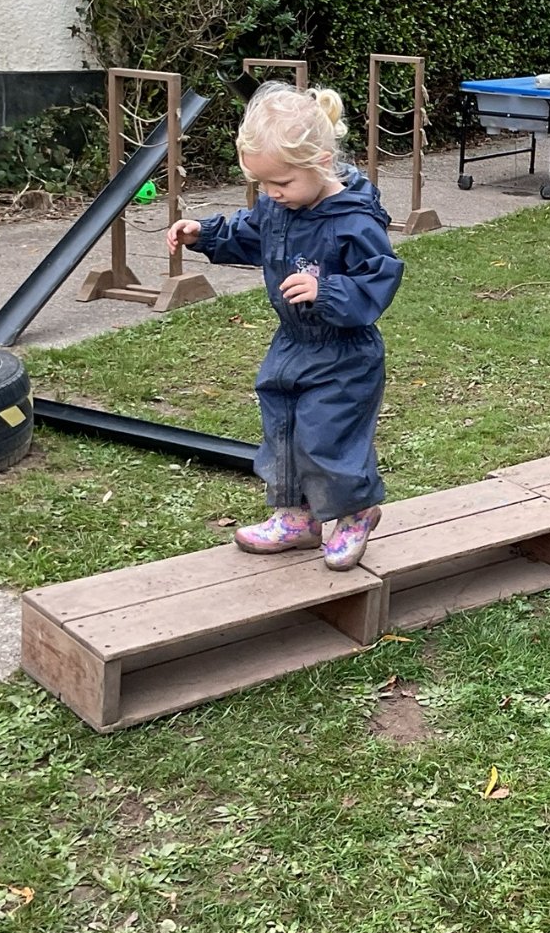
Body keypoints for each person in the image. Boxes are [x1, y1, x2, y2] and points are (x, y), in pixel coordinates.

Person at [167, 84, 403, 571]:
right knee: (284, 429)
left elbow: (378, 279)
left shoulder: (354, 220)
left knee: (328, 436)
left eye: (281, 182)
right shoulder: (280, 207)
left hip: (344, 352)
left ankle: (356, 512)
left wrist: (327, 291)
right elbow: (248, 233)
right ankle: (296, 518)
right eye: (263, 184)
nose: (272, 193)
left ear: (321, 162)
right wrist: (204, 234)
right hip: (292, 343)